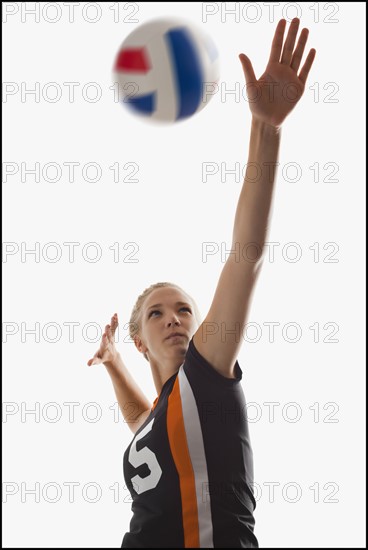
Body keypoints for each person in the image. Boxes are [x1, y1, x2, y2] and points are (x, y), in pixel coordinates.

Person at [87, 17, 316, 548]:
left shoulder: (205, 370)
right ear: (141, 339)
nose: (175, 318)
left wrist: (268, 128)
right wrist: (115, 362)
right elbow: (141, 416)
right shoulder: (155, 420)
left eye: (184, 310)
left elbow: (247, 254)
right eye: (159, 313)